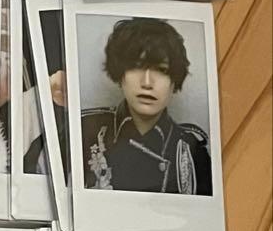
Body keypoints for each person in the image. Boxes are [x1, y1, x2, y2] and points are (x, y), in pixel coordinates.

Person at [81, 17, 211, 195]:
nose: (147, 83)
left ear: (174, 81)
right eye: (136, 67)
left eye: (162, 70)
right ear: (120, 74)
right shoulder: (84, 130)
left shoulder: (192, 153)